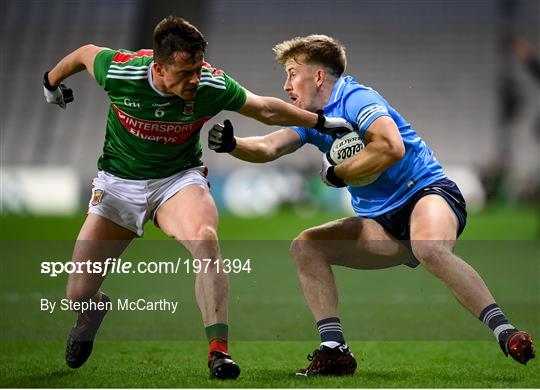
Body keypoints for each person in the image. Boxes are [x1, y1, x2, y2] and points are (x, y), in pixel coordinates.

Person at [208, 34, 536, 376]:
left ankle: (506, 332)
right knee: (306, 247)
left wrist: (338, 174)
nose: (287, 84)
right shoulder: (309, 118)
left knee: (429, 248)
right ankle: (335, 351)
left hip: (425, 192)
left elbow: (391, 147)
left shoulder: (356, 97)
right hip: (381, 221)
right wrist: (233, 143)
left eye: (292, 73)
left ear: (318, 76)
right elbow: (269, 147)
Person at [42, 18, 352, 379]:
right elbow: (83, 54)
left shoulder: (209, 83)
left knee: (205, 239)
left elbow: (265, 108)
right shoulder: (120, 70)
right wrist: (50, 83)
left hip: (177, 180)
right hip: (118, 186)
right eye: (186, 71)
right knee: (76, 295)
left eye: (198, 67)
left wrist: (322, 123)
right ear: (158, 67)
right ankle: (93, 311)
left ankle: (218, 352)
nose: (195, 78)